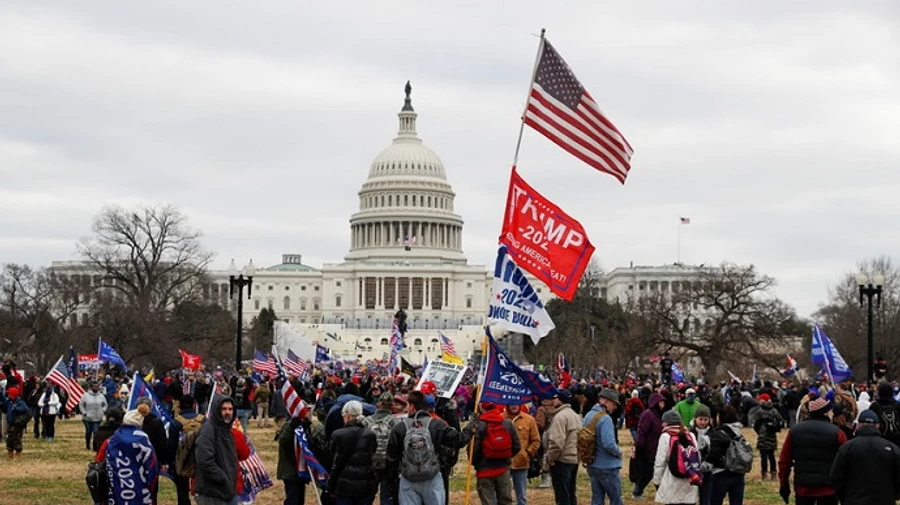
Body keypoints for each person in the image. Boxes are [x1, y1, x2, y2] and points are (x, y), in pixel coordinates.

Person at [386, 390, 469, 505]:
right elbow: (459, 440)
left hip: (408, 478)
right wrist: (471, 427)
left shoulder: (400, 427)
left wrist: (391, 482)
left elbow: (391, 458)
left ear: (412, 406)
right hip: (432, 477)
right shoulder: (436, 424)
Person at [778, 395, 846, 505]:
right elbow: (845, 461)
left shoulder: (794, 431)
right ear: (825, 412)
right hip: (828, 488)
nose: (833, 413)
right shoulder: (837, 432)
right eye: (831, 411)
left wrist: (784, 484)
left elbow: (784, 461)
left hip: (803, 488)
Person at [830, 409, 900, 505]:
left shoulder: (847, 447)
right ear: (878, 425)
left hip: (854, 500)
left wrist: (845, 497)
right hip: (884, 500)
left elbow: (836, 477)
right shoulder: (892, 448)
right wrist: (893, 495)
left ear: (859, 425)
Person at [96, 404, 158, 504]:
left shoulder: (110, 441)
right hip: (140, 491)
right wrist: (151, 486)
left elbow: (98, 463)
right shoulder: (143, 441)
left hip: (115, 491)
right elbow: (152, 466)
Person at [194, 395, 251, 505]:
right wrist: (223, 479)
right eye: (224, 409)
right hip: (212, 493)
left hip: (228, 491)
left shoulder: (227, 431)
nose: (227, 412)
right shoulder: (208, 429)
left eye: (230, 409)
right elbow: (204, 460)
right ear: (217, 410)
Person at [468, 402, 520, 505]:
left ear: (481, 408)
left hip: (484, 471)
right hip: (503, 469)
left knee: (488, 502)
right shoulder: (507, 423)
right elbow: (517, 446)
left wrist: (477, 464)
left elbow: (473, 449)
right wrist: (506, 457)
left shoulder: (478, 425)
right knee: (505, 501)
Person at [329, 400, 378, 505]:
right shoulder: (370, 435)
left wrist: (331, 485)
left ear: (347, 416)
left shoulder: (337, 435)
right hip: (366, 484)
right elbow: (373, 453)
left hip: (344, 485)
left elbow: (334, 458)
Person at [584, 388, 624, 505]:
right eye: (614, 403)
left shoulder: (589, 415)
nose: (615, 407)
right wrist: (619, 452)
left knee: (597, 499)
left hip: (593, 464)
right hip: (607, 467)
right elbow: (609, 444)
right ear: (606, 401)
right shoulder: (605, 418)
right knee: (616, 500)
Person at [653, 410, 699, 505]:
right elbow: (697, 457)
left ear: (666, 423)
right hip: (689, 480)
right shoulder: (691, 435)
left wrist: (657, 481)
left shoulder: (666, 436)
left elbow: (660, 462)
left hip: (672, 480)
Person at [545, 389, 582, 505]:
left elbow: (556, 443)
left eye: (554, 398)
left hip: (561, 461)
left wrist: (550, 459)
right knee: (571, 494)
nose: (553, 401)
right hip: (574, 459)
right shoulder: (576, 416)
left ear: (559, 399)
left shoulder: (560, 417)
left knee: (562, 497)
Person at [707, 405, 746, 505]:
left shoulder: (719, 434)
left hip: (721, 473)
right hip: (738, 472)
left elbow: (714, 455)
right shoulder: (738, 432)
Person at [367, 392, 399, 505]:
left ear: (378, 404)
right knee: (386, 497)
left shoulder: (367, 421)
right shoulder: (395, 422)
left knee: (367, 497)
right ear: (392, 406)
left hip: (370, 463)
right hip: (388, 464)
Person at [633, 392, 665, 499]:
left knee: (654, 472)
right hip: (648, 449)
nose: (662, 404)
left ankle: (660, 493)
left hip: (655, 448)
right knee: (647, 473)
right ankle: (637, 492)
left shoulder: (656, 415)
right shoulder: (648, 414)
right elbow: (642, 431)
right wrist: (640, 447)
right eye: (661, 402)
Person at [505, 403, 540, 505]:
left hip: (521, 463)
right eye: (511, 404)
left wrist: (527, 453)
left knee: (521, 496)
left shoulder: (529, 420)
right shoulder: (501, 419)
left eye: (517, 403)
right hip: (504, 463)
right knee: (504, 496)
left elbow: (536, 441)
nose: (514, 406)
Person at [277, 405, 311, 505]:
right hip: (290, 470)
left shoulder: (305, 425)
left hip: (301, 470)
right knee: (293, 500)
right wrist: (292, 428)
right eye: (307, 410)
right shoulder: (289, 425)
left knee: (300, 500)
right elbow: (284, 442)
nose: (309, 413)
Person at [174, 395, 205, 505]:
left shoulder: (176, 422)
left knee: (182, 491)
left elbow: (172, 445)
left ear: (180, 406)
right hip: (201, 459)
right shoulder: (203, 419)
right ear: (193, 405)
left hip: (182, 460)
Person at [752, 393, 783, 481]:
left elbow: (756, 424)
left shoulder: (760, 411)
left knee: (763, 457)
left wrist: (759, 432)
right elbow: (780, 420)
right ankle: (773, 474)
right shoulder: (774, 410)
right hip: (772, 435)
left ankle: (764, 475)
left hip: (763, 435)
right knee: (772, 456)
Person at [690, 404, 713, 505]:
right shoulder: (690, 433)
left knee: (706, 495)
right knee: (691, 496)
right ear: (695, 419)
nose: (703, 422)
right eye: (700, 419)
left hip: (707, 470)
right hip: (692, 469)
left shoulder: (712, 432)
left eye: (705, 419)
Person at [79, 381, 109, 450]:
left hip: (97, 417)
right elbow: (81, 405)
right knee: (88, 432)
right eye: (95, 386)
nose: (96, 388)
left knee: (95, 432)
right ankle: (87, 444)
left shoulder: (101, 396)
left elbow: (105, 405)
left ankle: (95, 447)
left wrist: (102, 411)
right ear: (91, 387)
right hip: (87, 418)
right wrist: (84, 412)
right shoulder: (85, 395)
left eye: (97, 386)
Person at [4, 386, 29, 459]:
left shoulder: (20, 402)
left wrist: (15, 408)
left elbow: (25, 409)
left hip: (17, 424)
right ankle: (10, 453)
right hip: (11, 423)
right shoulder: (9, 401)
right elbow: (4, 405)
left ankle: (18, 453)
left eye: (9, 394)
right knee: (9, 439)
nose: (8, 395)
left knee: (16, 439)